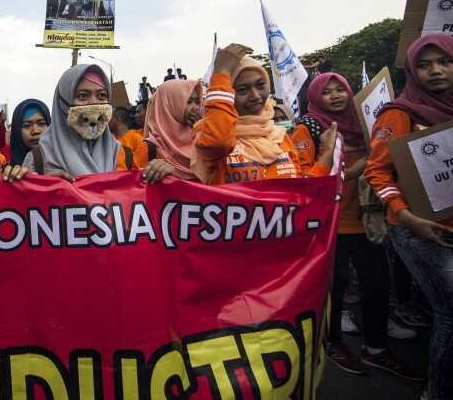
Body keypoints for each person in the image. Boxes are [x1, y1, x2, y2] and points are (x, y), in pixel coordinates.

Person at [293, 73, 421, 379]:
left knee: (377, 284)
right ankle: (334, 342)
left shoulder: (366, 124)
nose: (336, 96)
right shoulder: (308, 127)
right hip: (330, 224)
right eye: (328, 92)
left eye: (341, 89)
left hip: (367, 221)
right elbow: (301, 179)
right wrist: (350, 171)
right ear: (315, 97)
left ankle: (376, 347)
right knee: (334, 289)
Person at [364, 34, 453, 400]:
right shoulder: (399, 113)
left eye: (444, 62)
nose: (435, 71)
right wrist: (407, 217)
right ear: (412, 71)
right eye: (423, 65)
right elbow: (377, 173)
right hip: (420, 232)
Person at [192, 44, 337, 185]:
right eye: (242, 90)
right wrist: (221, 73)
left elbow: (301, 193)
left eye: (260, 85)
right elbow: (219, 141)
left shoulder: (280, 136)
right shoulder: (206, 134)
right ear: (228, 93)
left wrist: (328, 153)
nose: (255, 96)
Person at [22, 65, 127, 179]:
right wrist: (43, 190)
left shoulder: (124, 155)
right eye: (83, 96)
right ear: (63, 102)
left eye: (101, 96)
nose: (93, 103)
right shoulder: (38, 160)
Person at [134, 79, 202, 183]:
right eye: (188, 102)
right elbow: (135, 188)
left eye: (197, 102)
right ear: (169, 105)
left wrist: (204, 135)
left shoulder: (202, 140)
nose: (196, 108)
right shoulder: (148, 149)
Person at [7, 99, 51, 168]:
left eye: (41, 123)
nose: (35, 131)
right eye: (27, 125)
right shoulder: (8, 173)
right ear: (17, 132)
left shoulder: (63, 163)